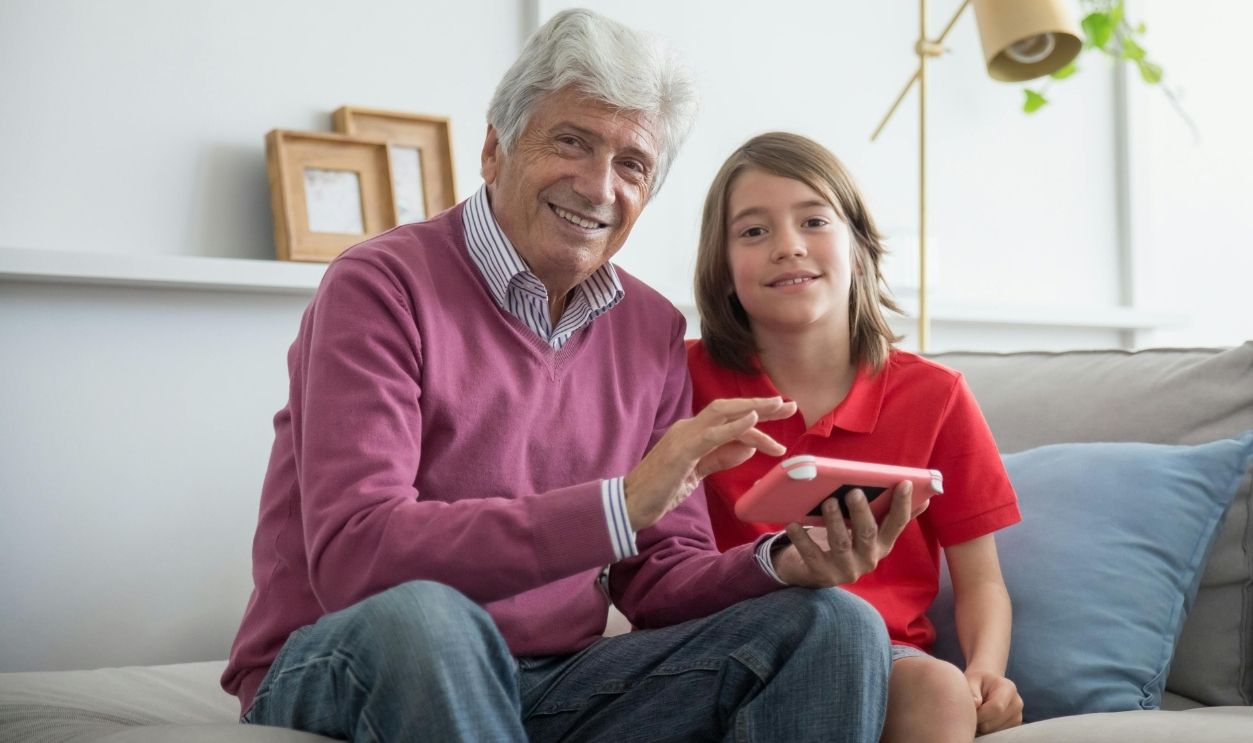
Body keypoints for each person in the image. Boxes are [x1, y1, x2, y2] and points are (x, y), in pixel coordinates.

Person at [222, 12, 914, 742]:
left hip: (554, 678)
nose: (597, 185)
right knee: (429, 616)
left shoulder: (648, 328)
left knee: (831, 622)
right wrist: (619, 503)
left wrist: (779, 561)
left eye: (632, 165)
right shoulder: (379, 286)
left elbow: (656, 578)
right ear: (495, 149)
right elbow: (357, 556)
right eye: (572, 141)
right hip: (346, 655)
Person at [687, 132, 1025, 742]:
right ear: (723, 270)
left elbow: (982, 583)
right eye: (753, 231)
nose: (788, 247)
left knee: (938, 686)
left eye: (813, 220)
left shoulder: (936, 395)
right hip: (726, 647)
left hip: (885, 657)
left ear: (860, 248)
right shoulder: (680, 379)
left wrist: (984, 672)